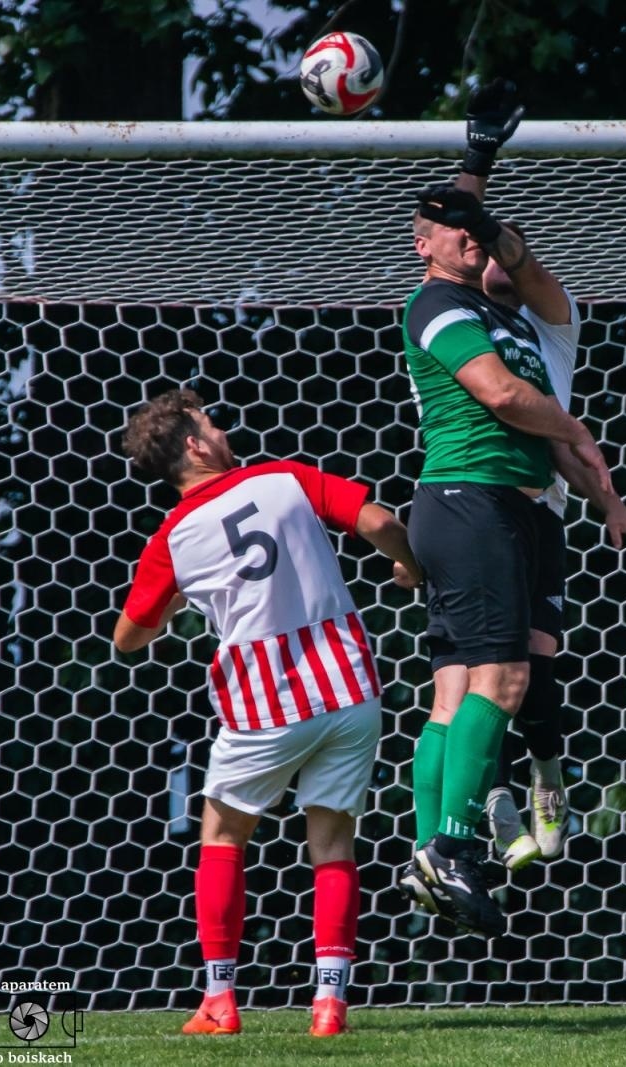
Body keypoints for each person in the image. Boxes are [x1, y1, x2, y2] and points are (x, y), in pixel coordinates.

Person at [112, 389, 422, 1038]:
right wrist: (411, 564)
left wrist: (180, 599)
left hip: (264, 704)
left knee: (222, 837)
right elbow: (378, 522)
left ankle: (220, 999)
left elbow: (128, 637)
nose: (221, 430)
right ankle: (329, 1002)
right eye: (210, 423)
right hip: (348, 688)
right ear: (196, 445)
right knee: (334, 842)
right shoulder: (283, 478)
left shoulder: (174, 537)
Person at [398, 86, 615, 936]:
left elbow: (470, 223)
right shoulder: (438, 303)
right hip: (471, 500)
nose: (468, 233)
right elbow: (498, 393)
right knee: (507, 678)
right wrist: (573, 427)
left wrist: (480, 157)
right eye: (451, 231)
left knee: (455, 694)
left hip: (499, 509)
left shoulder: (493, 297)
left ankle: (430, 850)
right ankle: (451, 848)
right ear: (425, 248)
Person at [450, 83, 626, 868]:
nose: (494, 261)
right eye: (481, 252)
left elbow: (517, 261)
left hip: (541, 508)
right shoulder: (455, 319)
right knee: (484, 667)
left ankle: (543, 773)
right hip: (475, 500)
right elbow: (448, 236)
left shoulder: (552, 320)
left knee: (535, 662)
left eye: (500, 251)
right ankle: (496, 797)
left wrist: (614, 508)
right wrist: (477, 159)